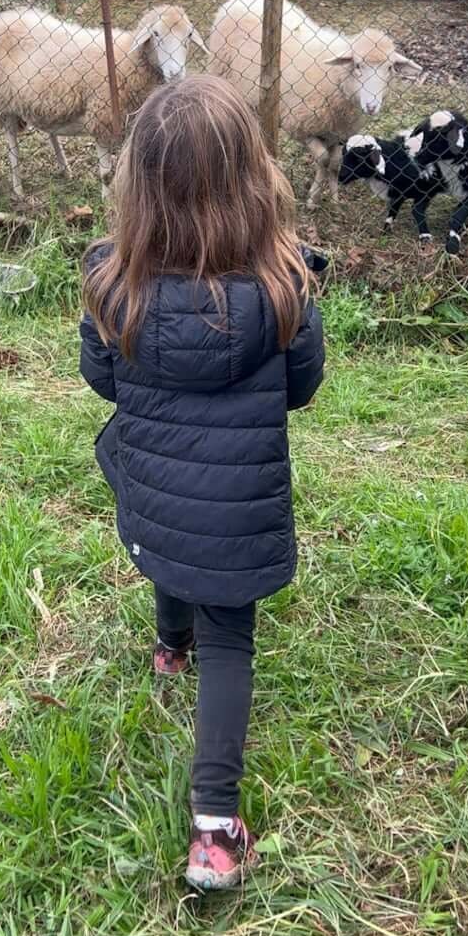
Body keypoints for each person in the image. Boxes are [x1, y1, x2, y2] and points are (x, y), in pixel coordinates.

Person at [79, 74, 325, 890]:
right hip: (239, 502)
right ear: (253, 180)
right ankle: (215, 828)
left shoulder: (112, 282)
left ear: (138, 187)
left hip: (151, 489)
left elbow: (101, 380)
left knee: (168, 542)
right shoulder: (286, 284)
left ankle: (165, 648)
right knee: (233, 636)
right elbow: (302, 385)